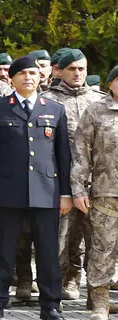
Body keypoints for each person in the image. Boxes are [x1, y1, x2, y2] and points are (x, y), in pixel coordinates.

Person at [0, 56, 71, 320]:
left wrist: (65, 192)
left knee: (47, 250)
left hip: (45, 190)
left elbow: (62, 155)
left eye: (33, 73)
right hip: (8, 189)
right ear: (12, 78)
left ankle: (51, 304)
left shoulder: (54, 109)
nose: (28, 78)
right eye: (22, 74)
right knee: (4, 249)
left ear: (40, 77)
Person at [43, 48, 103, 301]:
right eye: (72, 69)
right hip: (60, 181)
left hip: (97, 183)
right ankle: (56, 289)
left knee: (96, 240)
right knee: (60, 239)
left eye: (82, 68)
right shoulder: (47, 100)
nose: (77, 73)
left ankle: (93, 292)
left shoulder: (100, 101)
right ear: (61, 71)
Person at [71, 65, 118, 320]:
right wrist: (77, 188)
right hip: (105, 192)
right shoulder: (96, 110)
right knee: (102, 248)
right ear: (110, 83)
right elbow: (81, 152)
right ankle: (100, 301)